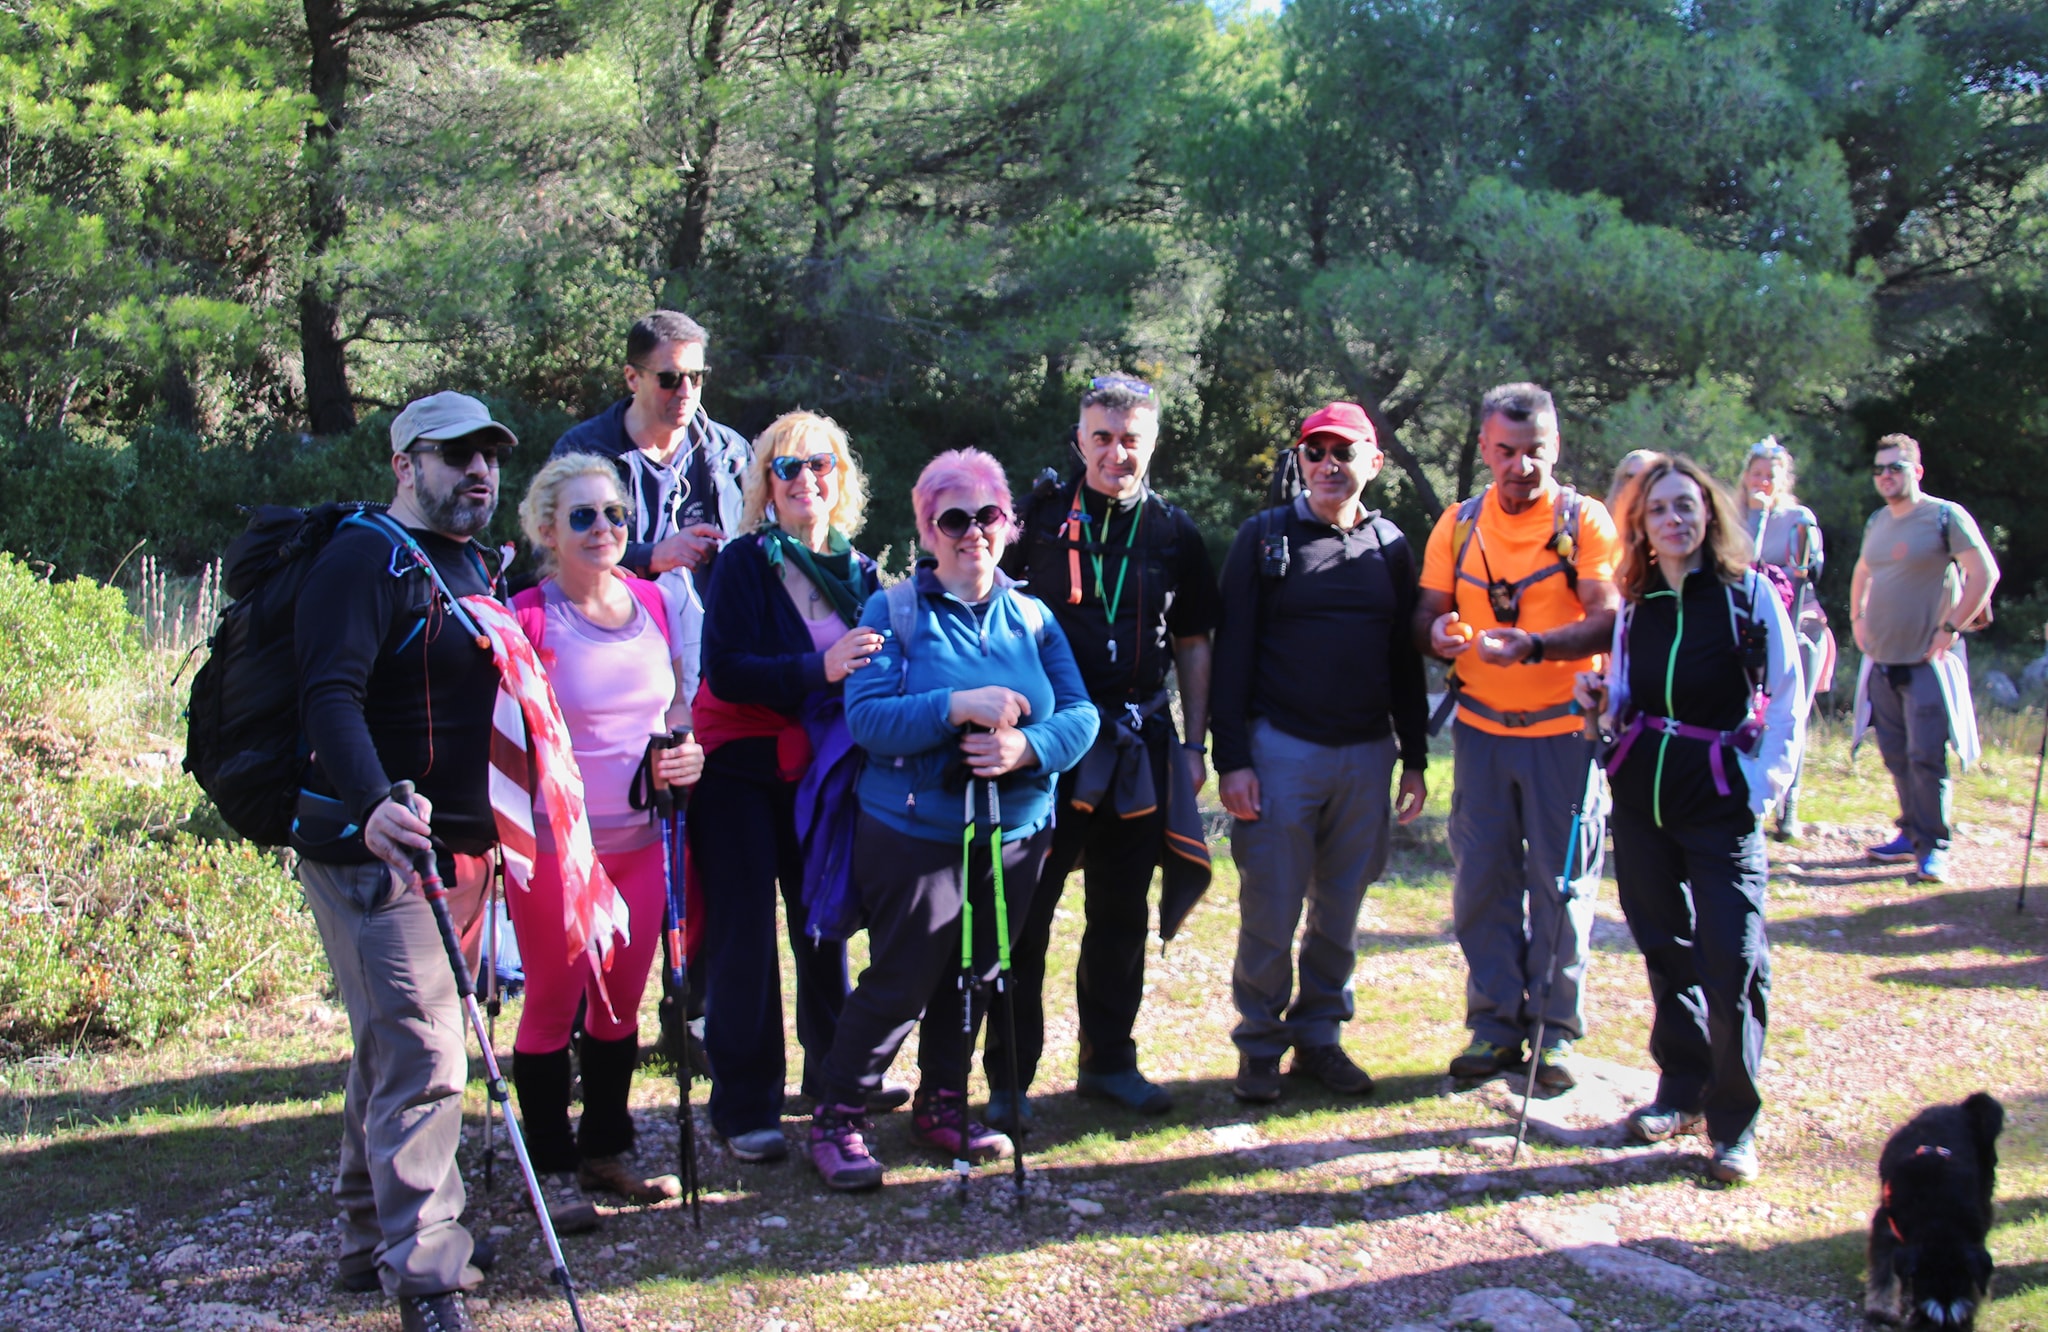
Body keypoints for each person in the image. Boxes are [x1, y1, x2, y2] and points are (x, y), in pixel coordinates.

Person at [808, 449, 1100, 1190]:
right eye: (954, 519)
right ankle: (839, 1116)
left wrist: (1026, 748)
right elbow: (869, 720)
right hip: (915, 832)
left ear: (1008, 523)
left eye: (987, 516)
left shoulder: (1033, 616)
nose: (973, 531)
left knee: (977, 975)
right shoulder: (894, 611)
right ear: (928, 530)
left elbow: (1081, 714)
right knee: (902, 978)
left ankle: (942, 1103)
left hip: (1015, 833)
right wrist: (956, 707)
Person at [290, 391, 517, 1332]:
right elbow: (328, 696)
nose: (479, 471)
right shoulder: (362, 559)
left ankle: (365, 1235)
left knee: (392, 1039)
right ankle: (426, 1269)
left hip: (457, 849)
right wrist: (374, 801)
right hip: (376, 850)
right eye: (456, 455)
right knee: (427, 1047)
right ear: (404, 464)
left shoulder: (474, 562)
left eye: (489, 455)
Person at [988, 373, 1219, 1123]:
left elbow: (1194, 641)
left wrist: (1194, 744)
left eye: (1131, 440)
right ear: (1079, 440)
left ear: (1152, 443)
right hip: (1050, 749)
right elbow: (986, 614)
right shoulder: (1035, 522)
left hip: (1139, 745)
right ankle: (1009, 1079)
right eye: (1102, 438)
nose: (1116, 453)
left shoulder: (1175, 533)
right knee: (1026, 915)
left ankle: (1109, 1063)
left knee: (1122, 912)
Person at [1575, 454, 1807, 1184]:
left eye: (1686, 505)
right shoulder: (1637, 602)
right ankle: (1682, 1090)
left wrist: (1759, 789)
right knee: (1665, 948)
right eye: (1658, 509)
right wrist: (1599, 699)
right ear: (1640, 525)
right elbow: (1623, 694)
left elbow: (1788, 698)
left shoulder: (1749, 595)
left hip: (1719, 801)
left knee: (1731, 958)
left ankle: (1735, 1123)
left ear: (1709, 513)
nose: (1674, 519)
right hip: (1643, 797)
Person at [504, 454, 707, 1229]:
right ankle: (550, 1167)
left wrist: (687, 753)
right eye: (582, 516)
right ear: (547, 529)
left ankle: (605, 1150)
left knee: (619, 1003)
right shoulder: (527, 617)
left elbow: (678, 706)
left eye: (614, 515)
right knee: (552, 1005)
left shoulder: (653, 600)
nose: (603, 529)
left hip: (646, 841)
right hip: (558, 851)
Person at [1212, 401, 1430, 1103]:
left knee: (1339, 911)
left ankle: (1320, 1039)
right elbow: (1230, 655)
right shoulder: (1264, 538)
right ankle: (1258, 1046)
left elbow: (1403, 659)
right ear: (1300, 460)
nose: (1329, 465)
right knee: (1270, 911)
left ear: (1375, 462)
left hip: (1367, 755)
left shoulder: (1392, 546)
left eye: (1344, 452)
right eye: (1315, 452)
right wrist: (1232, 760)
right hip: (1281, 752)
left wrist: (1416, 756)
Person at [1414, 383, 1622, 1091]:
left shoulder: (1584, 520)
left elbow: (1606, 618)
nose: (1521, 466)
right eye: (1506, 451)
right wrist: (1437, 635)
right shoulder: (1457, 524)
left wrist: (1534, 646)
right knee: (1482, 883)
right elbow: (1425, 614)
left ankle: (1554, 1034)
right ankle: (1494, 1026)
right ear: (1484, 448)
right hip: (1481, 732)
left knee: (1561, 887)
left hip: (1564, 734)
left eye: (1535, 451)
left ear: (1555, 446)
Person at [691, 411, 886, 1164]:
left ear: (842, 478)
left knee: (824, 927)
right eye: (788, 467)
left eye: (821, 465)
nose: (807, 479)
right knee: (745, 937)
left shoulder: (860, 571)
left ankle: (836, 1081)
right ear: (766, 486)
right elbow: (725, 669)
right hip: (738, 767)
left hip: (822, 772)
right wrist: (818, 668)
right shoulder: (744, 562)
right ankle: (745, 1104)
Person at [1849, 433, 1999, 884]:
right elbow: (1863, 570)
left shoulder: (1944, 516)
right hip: (1882, 659)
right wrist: (1856, 617)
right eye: (1879, 469)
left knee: (1926, 756)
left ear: (1916, 471)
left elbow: (1984, 573)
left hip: (1927, 660)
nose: (1885, 476)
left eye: (1895, 468)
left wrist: (1950, 627)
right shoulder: (1878, 520)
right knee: (1896, 754)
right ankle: (1910, 832)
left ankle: (1934, 848)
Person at [549, 309, 750, 577]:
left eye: (696, 377)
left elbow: (766, 540)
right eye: (670, 379)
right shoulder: (583, 453)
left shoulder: (730, 452)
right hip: (621, 603)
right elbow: (551, 551)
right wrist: (650, 556)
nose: (686, 392)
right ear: (633, 378)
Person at [1737, 437, 1830, 840]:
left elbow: (1808, 571)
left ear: (1782, 481)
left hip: (1794, 627)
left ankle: (1788, 803)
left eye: (1769, 476)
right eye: (1756, 474)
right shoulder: (1733, 518)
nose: (1762, 482)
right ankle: (1744, 790)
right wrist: (1754, 518)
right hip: (1744, 631)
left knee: (1790, 712)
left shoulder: (1798, 520)